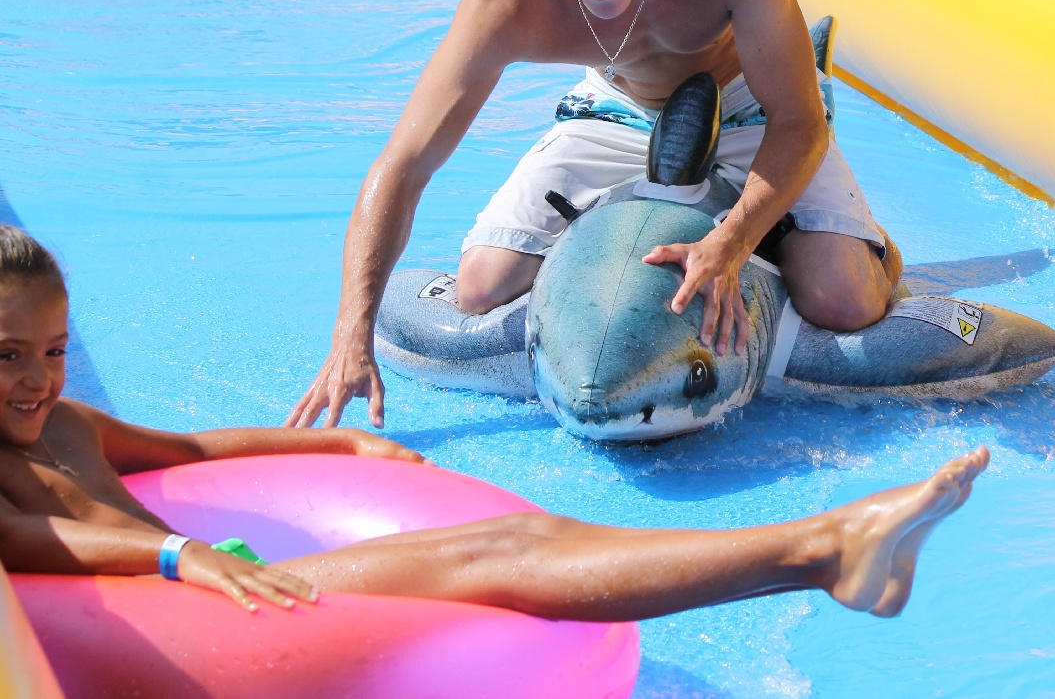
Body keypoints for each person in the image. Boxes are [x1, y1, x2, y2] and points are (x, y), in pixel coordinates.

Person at [0, 225, 984, 619]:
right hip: (177, 610)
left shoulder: (68, 425)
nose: (38, 379)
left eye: (52, 349)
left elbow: (190, 452)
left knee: (519, 533)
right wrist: (177, 557)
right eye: (7, 354)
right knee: (503, 552)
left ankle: (822, 548)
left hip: (218, 580)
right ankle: (818, 548)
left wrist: (335, 440)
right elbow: (26, 538)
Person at [287, 0, 903, 429]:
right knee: (480, 287)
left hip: (752, 102)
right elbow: (403, 163)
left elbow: (799, 120)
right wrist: (351, 334)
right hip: (615, 106)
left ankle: (878, 252)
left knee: (842, 300)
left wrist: (734, 241)